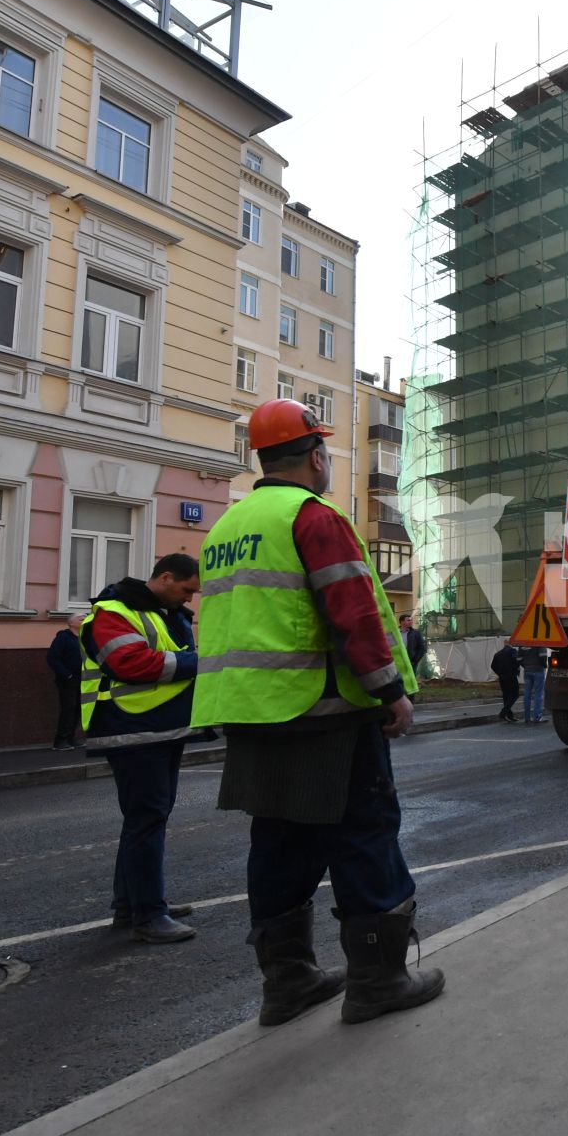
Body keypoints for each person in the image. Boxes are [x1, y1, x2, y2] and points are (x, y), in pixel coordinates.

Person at [193, 399, 442, 1028]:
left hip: (254, 715)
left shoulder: (228, 526)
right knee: (364, 837)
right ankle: (378, 980)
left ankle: (288, 983)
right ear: (315, 456)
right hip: (325, 714)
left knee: (278, 844)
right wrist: (391, 692)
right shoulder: (312, 514)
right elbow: (354, 614)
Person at [80, 554, 202, 944]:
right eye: (186, 590)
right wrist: (197, 663)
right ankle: (149, 915)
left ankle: (131, 905)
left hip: (160, 727)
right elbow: (129, 663)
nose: (189, 600)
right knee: (146, 819)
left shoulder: (167, 613)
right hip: (131, 728)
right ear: (165, 578)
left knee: (147, 818)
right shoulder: (112, 611)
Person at [46, 624, 85, 749]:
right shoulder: (63, 637)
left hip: (83, 679)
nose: (84, 618)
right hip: (68, 680)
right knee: (69, 708)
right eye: (80, 617)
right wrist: (67, 674)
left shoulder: (84, 637)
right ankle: (60, 741)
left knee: (77, 708)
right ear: (71, 622)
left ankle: (71, 738)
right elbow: (52, 658)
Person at [519, 642, 549, 725]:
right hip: (538, 670)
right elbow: (543, 657)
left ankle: (527, 718)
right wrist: (544, 665)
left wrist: (525, 666)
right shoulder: (539, 643)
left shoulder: (523, 644)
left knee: (527, 694)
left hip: (527, 671)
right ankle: (537, 717)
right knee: (538, 693)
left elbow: (518, 659)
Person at [490, 640, 521, 723]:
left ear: (504, 644)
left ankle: (509, 715)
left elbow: (492, 666)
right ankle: (503, 712)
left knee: (506, 696)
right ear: (511, 643)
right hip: (511, 676)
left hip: (502, 678)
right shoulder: (513, 651)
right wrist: (516, 669)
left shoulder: (498, 654)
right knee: (515, 694)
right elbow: (517, 662)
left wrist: (499, 673)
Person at [398, 611, 428, 683]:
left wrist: (415, 660)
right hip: (398, 660)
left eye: (411, 620)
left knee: (411, 681)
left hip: (411, 661)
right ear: (401, 622)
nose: (411, 622)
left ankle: (411, 694)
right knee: (398, 680)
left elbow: (422, 648)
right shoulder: (395, 632)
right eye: (408, 620)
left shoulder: (415, 633)